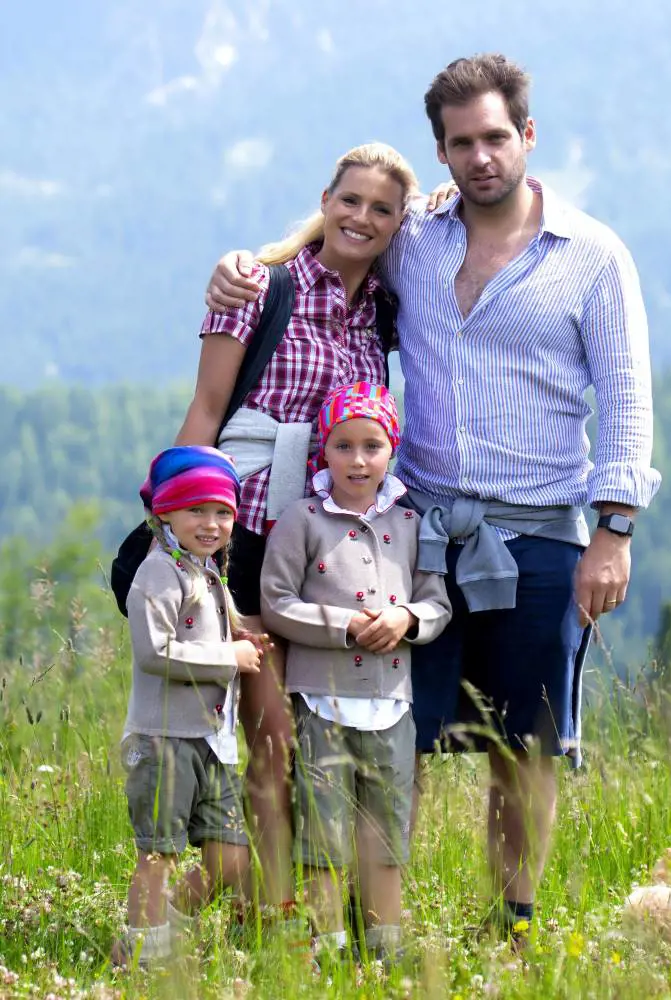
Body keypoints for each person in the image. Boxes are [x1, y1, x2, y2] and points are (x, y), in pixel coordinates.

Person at [204, 53, 661, 944]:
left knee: (523, 745)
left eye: (497, 136)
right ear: (443, 154)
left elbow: (629, 397)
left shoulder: (595, 256)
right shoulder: (417, 235)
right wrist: (243, 266)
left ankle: (514, 920)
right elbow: (343, 231)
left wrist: (615, 531)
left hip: (541, 533)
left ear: (528, 136)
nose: (482, 155)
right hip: (412, 529)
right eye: (462, 143)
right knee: (382, 732)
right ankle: (363, 923)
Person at [174, 142, 420, 921]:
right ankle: (279, 918)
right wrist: (188, 557)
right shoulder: (261, 287)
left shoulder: (380, 310)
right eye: (350, 201)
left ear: (396, 225)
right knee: (273, 738)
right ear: (325, 199)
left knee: (328, 742)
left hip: (330, 548)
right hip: (247, 531)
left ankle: (310, 907)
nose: (362, 218)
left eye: (382, 209)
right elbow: (205, 419)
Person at [259, 382, 451, 964]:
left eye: (372, 445)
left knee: (386, 827)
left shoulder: (413, 522)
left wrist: (406, 618)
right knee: (322, 827)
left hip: (392, 701)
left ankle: (384, 945)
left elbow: (437, 602)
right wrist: (342, 625)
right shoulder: (303, 520)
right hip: (323, 701)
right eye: (344, 446)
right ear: (325, 451)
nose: (359, 460)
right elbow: (276, 601)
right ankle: (326, 947)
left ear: (391, 449)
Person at [114, 446, 262, 966]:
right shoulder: (158, 573)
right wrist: (231, 656)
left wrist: (240, 635)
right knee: (158, 853)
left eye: (222, 512)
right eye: (196, 509)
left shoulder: (206, 572)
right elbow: (155, 653)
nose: (211, 522)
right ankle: (143, 956)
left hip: (211, 741)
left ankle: (155, 930)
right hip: (164, 738)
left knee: (231, 859)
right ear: (165, 514)